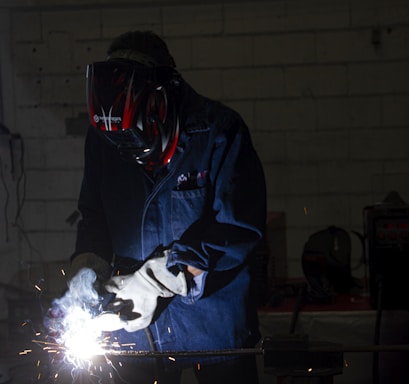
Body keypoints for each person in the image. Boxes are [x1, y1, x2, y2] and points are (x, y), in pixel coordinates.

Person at [69, 30, 267, 384]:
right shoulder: (101, 138)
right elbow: (94, 217)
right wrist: (88, 270)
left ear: (163, 97)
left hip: (214, 324)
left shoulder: (219, 132)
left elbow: (238, 230)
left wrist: (162, 278)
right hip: (136, 326)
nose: (125, 148)